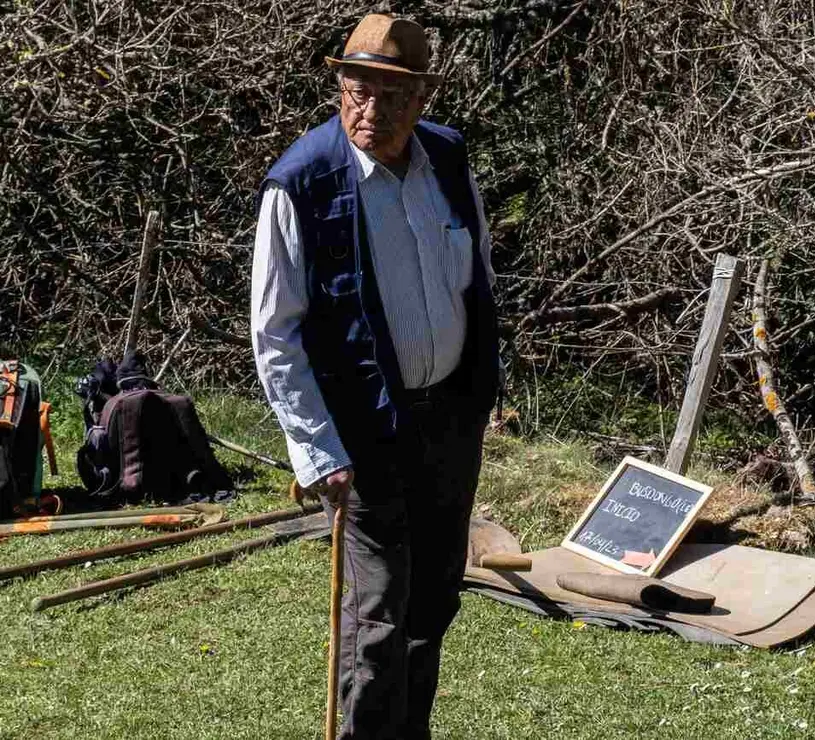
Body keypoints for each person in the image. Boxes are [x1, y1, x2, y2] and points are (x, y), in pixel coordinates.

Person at [250, 13, 500, 739]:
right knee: (381, 614)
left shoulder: (448, 161)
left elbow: (475, 275)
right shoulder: (299, 184)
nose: (371, 111)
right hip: (364, 436)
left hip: (449, 422)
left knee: (433, 603)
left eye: (391, 96)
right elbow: (275, 336)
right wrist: (318, 451)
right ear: (339, 89)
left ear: (422, 98)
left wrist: (475, 396)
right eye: (357, 92)